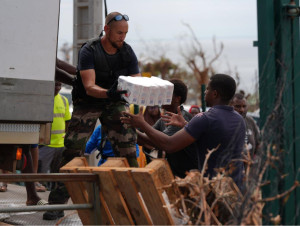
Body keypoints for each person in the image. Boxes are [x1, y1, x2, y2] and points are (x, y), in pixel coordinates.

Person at [43, 12, 141, 220]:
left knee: (128, 147)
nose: (122, 37)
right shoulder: (90, 50)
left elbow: (137, 81)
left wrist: (141, 92)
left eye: (125, 33)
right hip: (90, 101)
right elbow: (89, 86)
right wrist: (109, 93)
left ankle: (136, 201)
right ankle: (57, 203)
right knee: (72, 148)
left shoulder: (127, 51)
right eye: (118, 33)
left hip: (114, 102)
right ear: (106, 30)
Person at [121, 74, 246, 191]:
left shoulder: (205, 118)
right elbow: (211, 137)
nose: (204, 92)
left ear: (214, 94)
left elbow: (169, 145)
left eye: (207, 89)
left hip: (213, 189)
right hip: (235, 188)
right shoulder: (239, 119)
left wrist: (142, 124)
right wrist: (186, 125)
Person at [138, 79, 199, 178]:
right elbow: (147, 138)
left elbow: (162, 142)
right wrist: (132, 127)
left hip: (189, 177)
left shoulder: (182, 118)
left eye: (165, 93)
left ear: (177, 99)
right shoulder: (164, 118)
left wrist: (140, 125)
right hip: (175, 174)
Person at [38, 81, 71, 188]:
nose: (58, 88)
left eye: (59, 85)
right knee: (40, 175)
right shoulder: (43, 100)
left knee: (57, 175)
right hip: (45, 145)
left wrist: (66, 135)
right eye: (55, 85)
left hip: (60, 145)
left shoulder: (64, 100)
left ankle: (54, 195)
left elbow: (67, 121)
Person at [230, 93, 261, 159]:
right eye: (237, 106)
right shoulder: (225, 122)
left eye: (244, 106)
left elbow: (258, 143)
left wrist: (255, 159)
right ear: (230, 106)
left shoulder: (250, 121)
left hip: (249, 166)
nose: (242, 110)